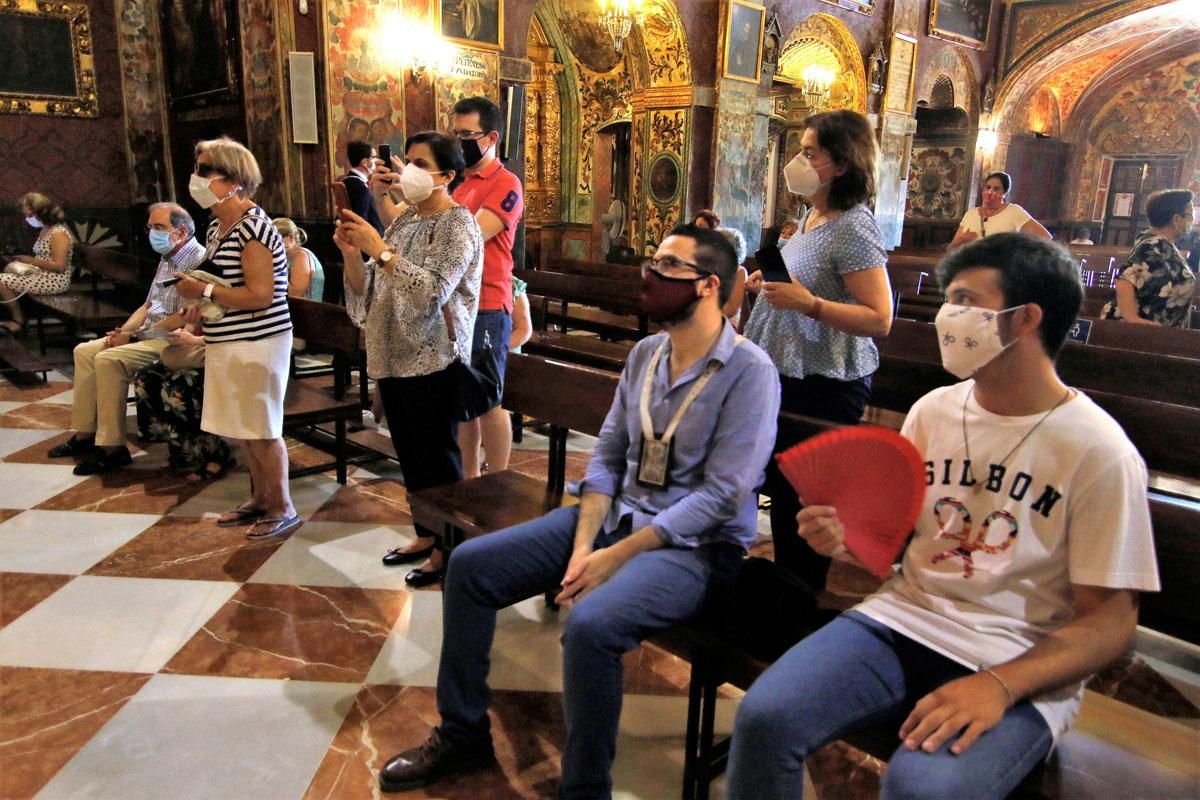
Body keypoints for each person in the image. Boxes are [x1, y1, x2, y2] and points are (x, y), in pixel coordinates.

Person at [726, 233, 1159, 800]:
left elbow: (1110, 624)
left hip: (1017, 653)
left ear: (1026, 318)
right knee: (765, 718)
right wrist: (844, 538)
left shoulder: (1098, 450)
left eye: (966, 302)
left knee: (924, 786)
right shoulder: (934, 410)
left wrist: (1000, 686)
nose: (948, 318)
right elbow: (901, 541)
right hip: (905, 617)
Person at [376, 224, 780, 798]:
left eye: (668, 267)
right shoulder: (646, 353)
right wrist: (587, 544)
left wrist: (615, 555)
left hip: (694, 547)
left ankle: (584, 789)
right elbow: (609, 455)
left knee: (590, 627)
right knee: (470, 567)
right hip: (613, 518)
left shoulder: (749, 372)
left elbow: (723, 496)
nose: (650, 275)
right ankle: (463, 732)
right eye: (653, 259)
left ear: (708, 286)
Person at [742, 109, 894, 591]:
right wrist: (769, 283)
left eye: (810, 153)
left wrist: (808, 304)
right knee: (779, 491)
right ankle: (778, 594)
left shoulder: (853, 226)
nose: (799, 161)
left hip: (824, 383)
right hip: (787, 371)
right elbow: (806, 282)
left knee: (805, 503)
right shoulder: (811, 216)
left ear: (842, 165)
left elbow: (879, 318)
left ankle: (797, 599)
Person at [376, 97, 525, 585]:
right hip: (437, 312)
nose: (460, 141)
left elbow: (469, 238)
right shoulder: (452, 188)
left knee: (483, 400)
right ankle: (448, 507)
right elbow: (408, 243)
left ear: (490, 138)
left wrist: (426, 203)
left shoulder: (503, 185)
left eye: (467, 135)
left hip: (484, 304)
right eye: (455, 134)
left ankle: (491, 484)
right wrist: (400, 195)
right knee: (447, 422)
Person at [335, 131, 483, 587]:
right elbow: (376, 289)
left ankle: (449, 548)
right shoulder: (407, 221)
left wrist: (378, 249)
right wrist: (352, 257)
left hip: (433, 358)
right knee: (412, 457)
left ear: (449, 175)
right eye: (407, 162)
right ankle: (425, 533)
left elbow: (433, 290)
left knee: (437, 459)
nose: (407, 172)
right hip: (393, 354)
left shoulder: (458, 225)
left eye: (419, 163)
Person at [174, 137, 299, 539]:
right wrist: (201, 301)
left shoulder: (255, 229)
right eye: (197, 168)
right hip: (229, 339)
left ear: (235, 182)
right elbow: (226, 283)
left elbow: (261, 296)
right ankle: (259, 498)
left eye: (206, 170)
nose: (196, 177)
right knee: (243, 428)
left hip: (257, 341)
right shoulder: (218, 225)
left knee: (262, 428)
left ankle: (282, 507)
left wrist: (205, 293)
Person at [46, 202, 205, 475]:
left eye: (159, 227)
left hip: (172, 339)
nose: (151, 233)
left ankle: (112, 448)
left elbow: (183, 317)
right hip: (147, 333)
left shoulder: (197, 260)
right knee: (85, 350)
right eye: (150, 227)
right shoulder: (168, 258)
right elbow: (147, 306)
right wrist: (124, 331)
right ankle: (85, 434)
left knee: (109, 359)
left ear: (180, 232)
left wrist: (132, 338)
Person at [133, 323, 233, 481]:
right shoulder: (201, 300)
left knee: (182, 384)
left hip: (219, 348)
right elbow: (193, 319)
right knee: (145, 378)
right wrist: (182, 333)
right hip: (191, 348)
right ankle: (180, 447)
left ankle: (215, 453)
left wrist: (194, 339)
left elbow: (230, 332)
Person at [1101, 189, 1196, 328]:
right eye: (1189, 215)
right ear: (1176, 219)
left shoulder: (1162, 245)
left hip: (1159, 331)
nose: (1192, 220)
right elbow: (1125, 280)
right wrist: (1132, 318)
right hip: (1136, 333)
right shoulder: (1153, 246)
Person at [1, 193, 75, 334]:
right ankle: (17, 319)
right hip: (42, 275)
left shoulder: (58, 233)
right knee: (8, 270)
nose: (27, 219)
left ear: (41, 213)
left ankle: (18, 322)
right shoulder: (45, 230)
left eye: (29, 215)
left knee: (1, 281)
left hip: (54, 281)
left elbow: (60, 266)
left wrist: (31, 261)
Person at [947, 172, 1052, 251]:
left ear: (1004, 193)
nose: (990, 192)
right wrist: (961, 241)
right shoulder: (970, 214)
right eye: (988, 187)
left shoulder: (1014, 212)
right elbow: (950, 250)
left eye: (996, 189)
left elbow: (1045, 237)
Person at [273, 218, 326, 301]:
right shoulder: (286, 256)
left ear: (291, 237)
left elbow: (295, 294)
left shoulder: (301, 256)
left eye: (275, 240)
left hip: (308, 311)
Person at [342, 140, 384, 235]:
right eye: (374, 158)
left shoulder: (347, 181)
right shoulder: (360, 187)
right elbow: (361, 220)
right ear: (365, 162)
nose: (377, 161)